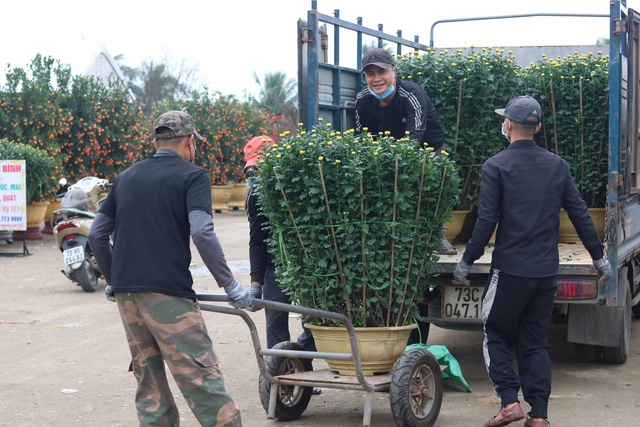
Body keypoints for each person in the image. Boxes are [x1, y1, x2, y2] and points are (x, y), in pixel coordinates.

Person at [452, 96, 613, 427]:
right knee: (535, 341)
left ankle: (509, 402)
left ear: (507, 125)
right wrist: (599, 257)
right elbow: (580, 213)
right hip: (544, 272)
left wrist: (467, 260)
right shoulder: (557, 165)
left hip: (510, 270)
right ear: (537, 128)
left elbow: (486, 220)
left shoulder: (495, 166)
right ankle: (539, 416)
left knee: (495, 331)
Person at [88, 110, 251, 427]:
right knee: (202, 381)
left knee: (150, 387)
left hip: (128, 297)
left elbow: (97, 235)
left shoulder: (125, 177)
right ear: (191, 141)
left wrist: (113, 280)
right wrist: (230, 285)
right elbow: (202, 231)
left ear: (155, 141)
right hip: (169, 297)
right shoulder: (192, 175)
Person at [354, 47, 456, 255]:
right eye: (370, 74)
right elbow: (361, 138)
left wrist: (395, 161)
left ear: (393, 71)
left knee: (425, 193)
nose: (376, 79)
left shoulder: (411, 94)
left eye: (382, 72)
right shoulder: (363, 99)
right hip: (387, 148)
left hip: (426, 150)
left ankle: (436, 236)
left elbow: (414, 139)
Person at [243, 135, 317, 352]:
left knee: (315, 321)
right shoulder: (256, 195)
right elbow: (257, 240)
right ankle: (281, 372)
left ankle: (301, 359)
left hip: (305, 262)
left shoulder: (299, 188)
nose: (258, 175)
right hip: (275, 264)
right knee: (275, 319)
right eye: (254, 170)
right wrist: (256, 283)